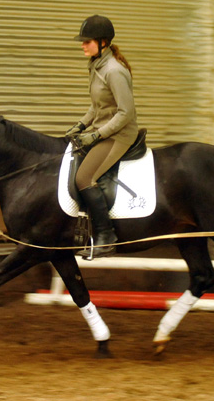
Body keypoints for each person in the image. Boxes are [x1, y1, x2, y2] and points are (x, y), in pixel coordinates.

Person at [66, 15, 139, 258]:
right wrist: (80, 125)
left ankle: (106, 235)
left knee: (84, 178)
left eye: (87, 41)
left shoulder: (113, 71)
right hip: (104, 130)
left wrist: (96, 135)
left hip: (119, 135)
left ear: (103, 42)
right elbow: (98, 107)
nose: (82, 45)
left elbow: (125, 113)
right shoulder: (96, 65)